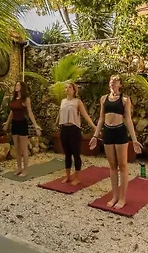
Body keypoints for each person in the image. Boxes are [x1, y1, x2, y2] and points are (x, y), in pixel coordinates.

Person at [89, 75, 142, 209]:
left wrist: (134, 140)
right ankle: (115, 196)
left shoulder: (125, 100)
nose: (112, 84)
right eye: (111, 82)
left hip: (120, 132)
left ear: (120, 85)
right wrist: (95, 136)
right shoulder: (103, 99)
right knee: (112, 166)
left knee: (122, 166)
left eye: (115, 82)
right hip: (108, 133)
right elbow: (101, 119)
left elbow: (128, 119)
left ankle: (122, 198)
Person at [57, 82, 96, 185]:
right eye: (66, 87)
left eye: (70, 87)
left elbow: (85, 115)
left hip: (74, 130)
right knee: (67, 154)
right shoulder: (63, 101)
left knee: (76, 154)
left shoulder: (77, 102)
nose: (67, 89)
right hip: (64, 129)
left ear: (74, 90)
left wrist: (94, 127)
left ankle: (77, 177)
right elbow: (60, 114)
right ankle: (68, 176)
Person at [2, 81, 41, 177]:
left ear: (22, 87)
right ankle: (19, 168)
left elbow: (30, 113)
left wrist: (36, 125)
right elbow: (12, 112)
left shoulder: (26, 99)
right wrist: (7, 123)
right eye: (16, 85)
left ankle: (26, 170)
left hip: (22, 124)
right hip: (14, 124)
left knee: (24, 149)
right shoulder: (14, 98)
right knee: (17, 149)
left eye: (18, 85)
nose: (16, 86)